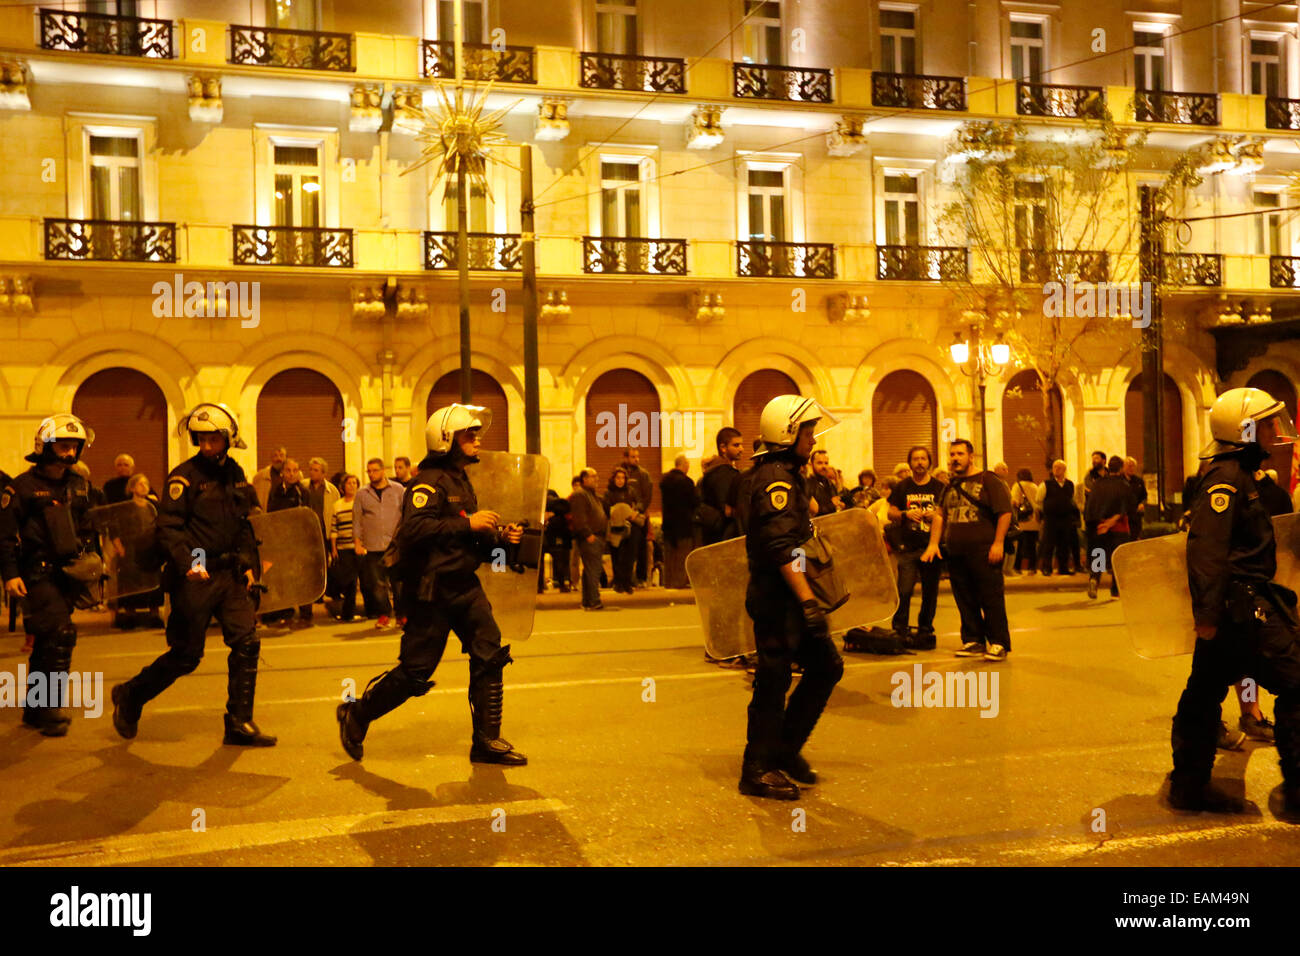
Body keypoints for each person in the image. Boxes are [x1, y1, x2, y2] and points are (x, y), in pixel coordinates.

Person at [337, 404, 528, 766]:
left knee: (490, 653)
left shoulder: (461, 480)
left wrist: (502, 539)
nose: (477, 440)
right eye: (469, 434)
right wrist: (469, 523)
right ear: (446, 439)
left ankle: (486, 740)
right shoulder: (426, 482)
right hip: (431, 591)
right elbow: (415, 529)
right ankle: (357, 713)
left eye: (476, 434)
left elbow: (465, 539)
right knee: (416, 672)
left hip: (465, 585)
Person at [111, 402, 276, 747]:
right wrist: (190, 562)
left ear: (228, 439)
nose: (207, 445)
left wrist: (249, 564)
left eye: (213, 439)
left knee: (247, 642)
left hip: (229, 572)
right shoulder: (183, 477)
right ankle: (131, 695)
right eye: (201, 439)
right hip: (196, 572)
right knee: (186, 654)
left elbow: (244, 524)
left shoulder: (235, 473)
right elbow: (169, 528)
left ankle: (239, 722)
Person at [1169, 386, 1300, 815]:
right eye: (1266, 424)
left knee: (1203, 691)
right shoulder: (1226, 480)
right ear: (1244, 430)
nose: (1275, 431)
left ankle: (1189, 786)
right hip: (1240, 609)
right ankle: (1298, 792)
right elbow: (1206, 550)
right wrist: (1207, 615)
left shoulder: (1242, 474)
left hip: (1238, 606)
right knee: (1296, 683)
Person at [740, 395, 845, 800]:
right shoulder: (776, 480)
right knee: (774, 680)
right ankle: (757, 769)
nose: (813, 439)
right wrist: (807, 601)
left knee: (826, 666)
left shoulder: (788, 474)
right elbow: (782, 547)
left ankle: (783, 750)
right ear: (787, 433)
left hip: (789, 596)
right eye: (807, 432)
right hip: (778, 598)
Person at [0, 414, 98, 736]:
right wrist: (10, 574)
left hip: (69, 574)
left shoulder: (79, 485)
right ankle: (51, 707)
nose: (69, 453)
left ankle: (35, 709)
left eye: (74, 446)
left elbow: (89, 526)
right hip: (35, 573)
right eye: (62, 446)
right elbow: (4, 536)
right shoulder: (21, 488)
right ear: (45, 446)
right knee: (62, 634)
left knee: (45, 640)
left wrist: (93, 561)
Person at [922, 439, 1013, 662]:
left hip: (984, 550)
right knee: (965, 598)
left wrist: (998, 543)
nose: (955, 458)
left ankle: (998, 642)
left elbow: (1004, 512)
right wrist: (933, 544)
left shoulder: (988, 480)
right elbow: (940, 515)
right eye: (952, 454)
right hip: (956, 552)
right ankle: (973, 639)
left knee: (990, 598)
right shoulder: (949, 485)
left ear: (971, 457)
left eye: (960, 454)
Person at [888, 445, 945, 650]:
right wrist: (905, 514)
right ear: (910, 463)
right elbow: (890, 513)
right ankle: (900, 628)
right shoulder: (902, 486)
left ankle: (925, 628)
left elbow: (947, 512)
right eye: (915, 459)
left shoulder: (939, 487)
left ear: (929, 462)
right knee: (904, 591)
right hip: (908, 548)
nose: (919, 462)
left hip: (932, 547)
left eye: (923, 458)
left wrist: (936, 515)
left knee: (930, 592)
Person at [354, 457, 403, 628]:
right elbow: (357, 520)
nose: (371, 474)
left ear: (383, 471)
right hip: (373, 546)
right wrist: (357, 543)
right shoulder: (362, 493)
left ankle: (401, 615)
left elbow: (406, 515)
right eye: (369, 471)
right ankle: (384, 614)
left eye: (375, 470)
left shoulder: (398, 490)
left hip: (395, 545)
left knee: (398, 583)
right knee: (377, 584)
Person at [266, 458, 314, 627]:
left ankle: (306, 615)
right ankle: (286, 613)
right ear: (282, 472)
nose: (291, 474)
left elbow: (307, 517)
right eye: (288, 470)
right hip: (281, 542)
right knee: (284, 578)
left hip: (298, 542)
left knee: (302, 578)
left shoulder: (303, 492)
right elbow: (270, 514)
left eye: (295, 470)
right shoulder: (275, 490)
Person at [1083, 455, 1133, 599]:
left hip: (1100, 527)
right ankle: (1115, 590)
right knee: (1118, 559)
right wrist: (1111, 522)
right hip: (1119, 528)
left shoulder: (1098, 484)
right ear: (1121, 468)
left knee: (1099, 554)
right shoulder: (1124, 485)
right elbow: (1126, 507)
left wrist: (1101, 523)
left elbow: (1091, 506)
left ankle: (1094, 578)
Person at [570, 468, 609, 610]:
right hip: (590, 537)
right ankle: (594, 601)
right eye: (593, 476)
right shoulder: (580, 495)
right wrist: (588, 534)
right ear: (584, 479)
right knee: (594, 570)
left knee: (589, 571)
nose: (596, 479)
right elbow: (579, 518)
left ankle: (587, 601)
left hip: (596, 536)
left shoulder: (592, 495)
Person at [699, 428, 743, 544]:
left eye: (741, 445)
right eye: (736, 445)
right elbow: (727, 510)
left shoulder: (713, 471)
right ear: (723, 448)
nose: (741, 449)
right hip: (724, 539)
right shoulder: (724, 474)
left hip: (713, 537)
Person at [660, 455, 697, 589]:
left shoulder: (664, 481)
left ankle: (668, 582)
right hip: (683, 524)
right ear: (684, 465)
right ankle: (679, 583)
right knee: (682, 555)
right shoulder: (687, 482)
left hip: (668, 524)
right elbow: (694, 502)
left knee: (669, 556)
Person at [329, 474, 362, 622]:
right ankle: (347, 613)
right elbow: (333, 529)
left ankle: (357, 612)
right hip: (343, 548)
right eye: (349, 483)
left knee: (360, 582)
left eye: (354, 483)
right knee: (349, 582)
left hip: (359, 547)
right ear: (343, 487)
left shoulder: (361, 503)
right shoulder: (337, 505)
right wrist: (334, 548)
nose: (352, 486)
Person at [1037, 460, 1077, 575]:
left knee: (1064, 544)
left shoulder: (1070, 484)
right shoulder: (1045, 484)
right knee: (1048, 544)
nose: (1056, 469)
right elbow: (1039, 500)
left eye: (1059, 467)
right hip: (1051, 519)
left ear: (1064, 470)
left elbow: (1072, 499)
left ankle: (1063, 568)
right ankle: (1046, 568)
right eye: (1054, 467)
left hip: (1066, 518)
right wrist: (1044, 514)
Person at [604, 467, 640, 594]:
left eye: (623, 478)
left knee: (629, 556)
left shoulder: (630, 491)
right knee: (616, 556)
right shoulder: (608, 493)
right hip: (615, 528)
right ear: (613, 479)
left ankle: (627, 582)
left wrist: (635, 512)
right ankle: (618, 583)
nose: (620, 480)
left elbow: (639, 503)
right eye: (618, 478)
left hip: (630, 527)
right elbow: (606, 508)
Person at [622, 448, 654, 586]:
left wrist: (638, 510)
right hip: (623, 516)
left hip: (639, 517)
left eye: (637, 457)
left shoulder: (643, 475)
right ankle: (625, 577)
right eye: (633, 457)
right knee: (625, 548)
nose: (637, 459)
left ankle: (641, 578)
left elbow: (647, 496)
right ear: (625, 458)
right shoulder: (619, 473)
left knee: (641, 547)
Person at [540, 489, 572, 593]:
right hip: (555, 538)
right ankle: (561, 584)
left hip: (549, 537)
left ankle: (540, 586)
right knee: (558, 562)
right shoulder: (560, 508)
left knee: (542, 562)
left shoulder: (546, 506)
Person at [1010, 468, 1040, 574]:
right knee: (1032, 546)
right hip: (1034, 520)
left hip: (1022, 521)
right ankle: (1032, 568)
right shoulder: (1035, 486)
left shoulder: (1017, 486)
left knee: (1020, 546)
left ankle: (1017, 567)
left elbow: (1014, 501)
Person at [806, 450, 840, 517]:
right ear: (812, 464)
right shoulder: (807, 484)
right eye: (820, 463)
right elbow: (811, 512)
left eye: (826, 463)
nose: (824, 466)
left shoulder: (829, 483)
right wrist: (831, 505)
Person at [252, 445, 287, 510]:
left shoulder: (292, 476)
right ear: (271, 458)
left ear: (286, 458)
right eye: (275, 456)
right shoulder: (261, 476)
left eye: (281, 455)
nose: (279, 459)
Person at [1123, 457, 1147, 539]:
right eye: (1129, 466)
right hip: (1124, 516)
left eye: (1133, 466)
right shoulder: (1120, 480)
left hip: (1136, 516)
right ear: (1123, 467)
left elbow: (1144, 496)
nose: (1131, 468)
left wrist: (1142, 504)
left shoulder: (1139, 481)